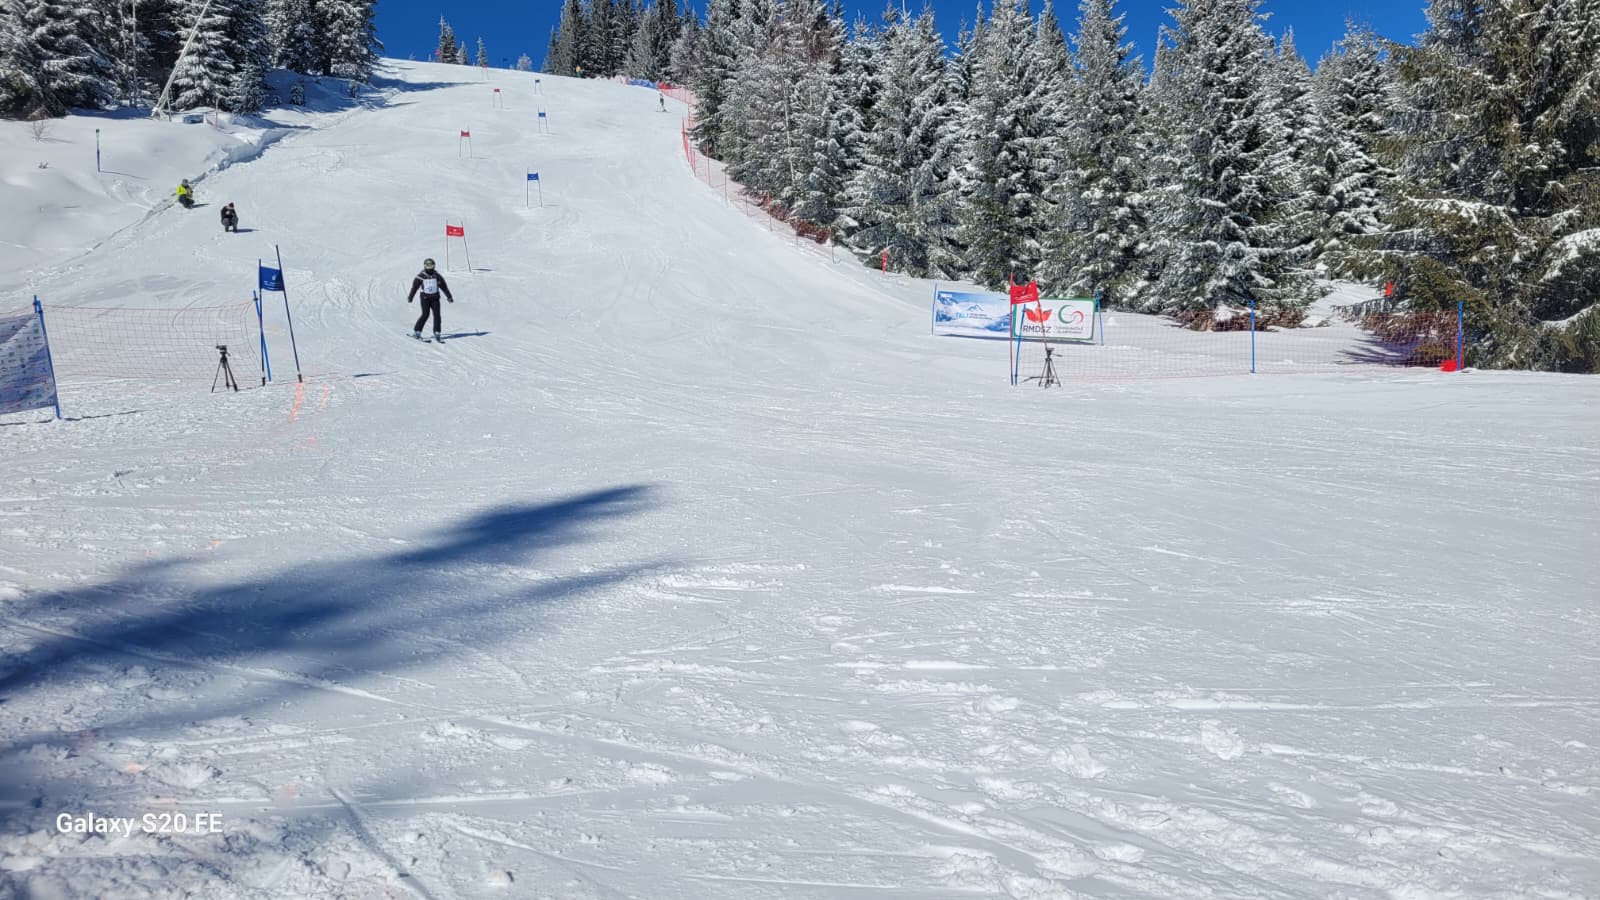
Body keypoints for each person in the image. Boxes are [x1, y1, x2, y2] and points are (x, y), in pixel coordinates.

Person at [406, 258, 454, 341]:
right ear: (424, 266)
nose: (429, 268)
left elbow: (444, 287)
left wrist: (449, 296)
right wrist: (411, 297)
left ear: (434, 266)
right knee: (425, 314)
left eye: (431, 265)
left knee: (437, 315)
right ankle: (417, 331)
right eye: (427, 266)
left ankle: (437, 332)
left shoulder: (437, 276)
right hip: (425, 298)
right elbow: (414, 288)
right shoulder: (420, 277)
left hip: (435, 298)